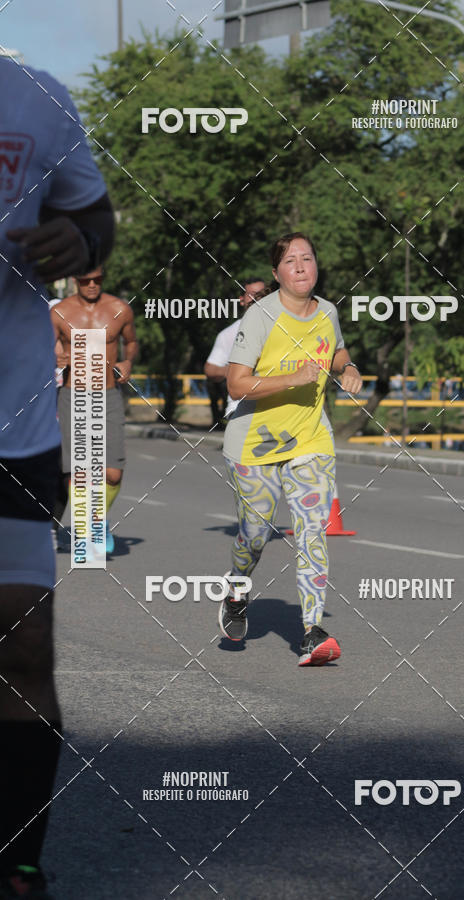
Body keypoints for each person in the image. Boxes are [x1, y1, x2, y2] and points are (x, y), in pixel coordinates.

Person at [0, 57, 114, 898]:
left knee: (25, 640)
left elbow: (94, 216)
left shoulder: (37, 94)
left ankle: (18, 862)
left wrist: (81, 242)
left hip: (15, 420)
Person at [219, 233, 362, 666]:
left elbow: (336, 351)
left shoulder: (329, 312)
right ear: (277, 272)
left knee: (312, 533)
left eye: (308, 258)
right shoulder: (262, 316)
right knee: (256, 535)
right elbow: (236, 383)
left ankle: (310, 631)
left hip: (310, 439)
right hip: (254, 442)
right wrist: (291, 379)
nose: (301, 267)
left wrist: (349, 368)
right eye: (290, 261)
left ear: (316, 266)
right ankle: (237, 590)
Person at [50, 267, 138, 554]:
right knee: (78, 473)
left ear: (103, 278)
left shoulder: (119, 309)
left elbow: (130, 342)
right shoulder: (59, 312)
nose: (91, 285)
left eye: (97, 279)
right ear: (75, 280)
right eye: (85, 280)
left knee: (112, 474)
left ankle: (98, 519)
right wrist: (56, 356)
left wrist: (127, 363)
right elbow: (45, 347)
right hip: (72, 395)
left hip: (108, 394)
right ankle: (87, 533)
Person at [203, 278, 266, 427]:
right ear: (242, 299)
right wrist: (237, 371)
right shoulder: (229, 334)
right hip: (240, 411)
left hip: (276, 410)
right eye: (251, 295)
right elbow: (210, 369)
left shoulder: (283, 328)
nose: (256, 299)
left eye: (262, 294)